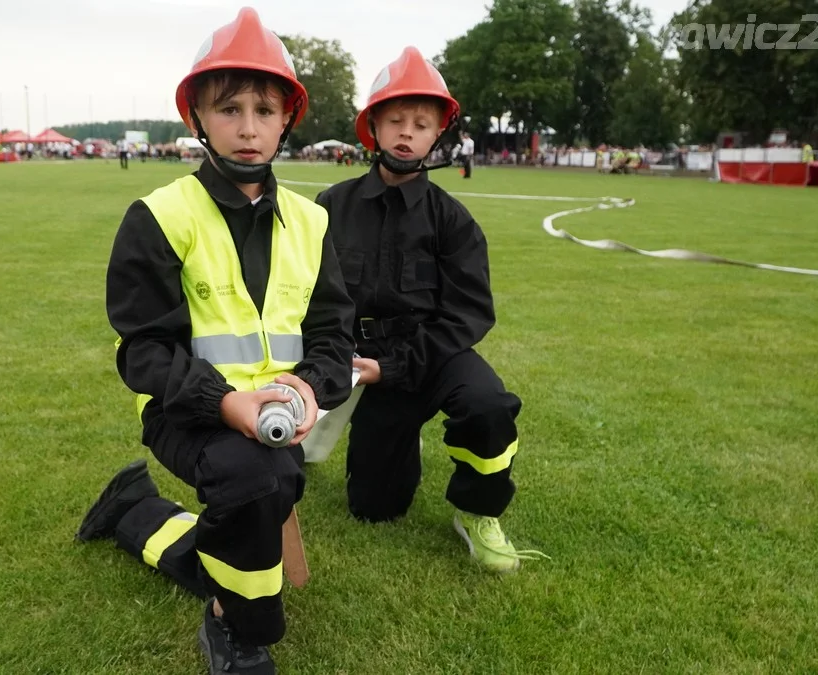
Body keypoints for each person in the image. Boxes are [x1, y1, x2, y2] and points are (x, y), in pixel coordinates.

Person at [76, 8, 356, 674]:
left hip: (282, 417)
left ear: (289, 116)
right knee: (258, 480)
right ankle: (237, 627)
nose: (250, 126)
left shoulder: (313, 223)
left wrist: (308, 387)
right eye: (229, 107)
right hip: (188, 413)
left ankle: (133, 511)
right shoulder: (160, 217)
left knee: (265, 479)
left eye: (266, 107)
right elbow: (142, 351)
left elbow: (334, 335)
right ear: (196, 116)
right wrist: (226, 403)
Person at [315, 46, 547, 574]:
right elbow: (307, 295)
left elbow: (469, 314)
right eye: (394, 119)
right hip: (361, 362)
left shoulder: (452, 219)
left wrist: (396, 366)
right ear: (372, 125)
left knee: (489, 406)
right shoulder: (330, 207)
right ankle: (398, 447)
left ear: (438, 132)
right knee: (375, 509)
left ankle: (478, 512)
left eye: (421, 123)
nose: (406, 132)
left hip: (434, 353)